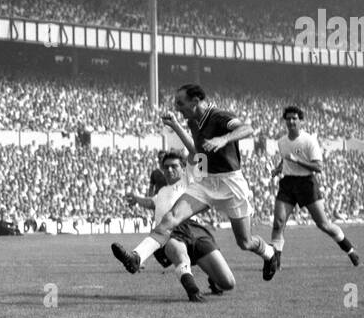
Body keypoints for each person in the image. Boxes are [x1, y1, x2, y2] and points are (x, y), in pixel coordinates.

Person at [111, 83, 279, 279]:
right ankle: (136, 257)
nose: (176, 108)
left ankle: (269, 253)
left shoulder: (218, 117)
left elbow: (247, 128)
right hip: (205, 183)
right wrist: (175, 126)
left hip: (231, 184)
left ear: (195, 101)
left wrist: (223, 139)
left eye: (180, 103)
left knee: (245, 242)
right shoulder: (192, 122)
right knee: (170, 218)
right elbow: (196, 151)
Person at [118, 150, 236, 302]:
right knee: (180, 256)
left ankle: (214, 281)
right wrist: (136, 199)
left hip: (192, 228)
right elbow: (150, 203)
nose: (169, 170)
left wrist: (176, 125)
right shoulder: (162, 191)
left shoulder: (189, 181)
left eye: (174, 166)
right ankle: (193, 291)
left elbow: (194, 151)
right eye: (166, 167)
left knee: (228, 283)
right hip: (167, 231)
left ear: (183, 168)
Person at [269, 105, 360, 270]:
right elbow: (285, 159)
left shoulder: (309, 140)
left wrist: (296, 160)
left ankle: (350, 249)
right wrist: (278, 168)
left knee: (323, 224)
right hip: (288, 183)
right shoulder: (281, 141)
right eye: (288, 118)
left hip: (306, 183)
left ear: (301, 121)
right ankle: (275, 262)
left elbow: (318, 167)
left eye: (294, 118)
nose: (291, 121)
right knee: (278, 223)